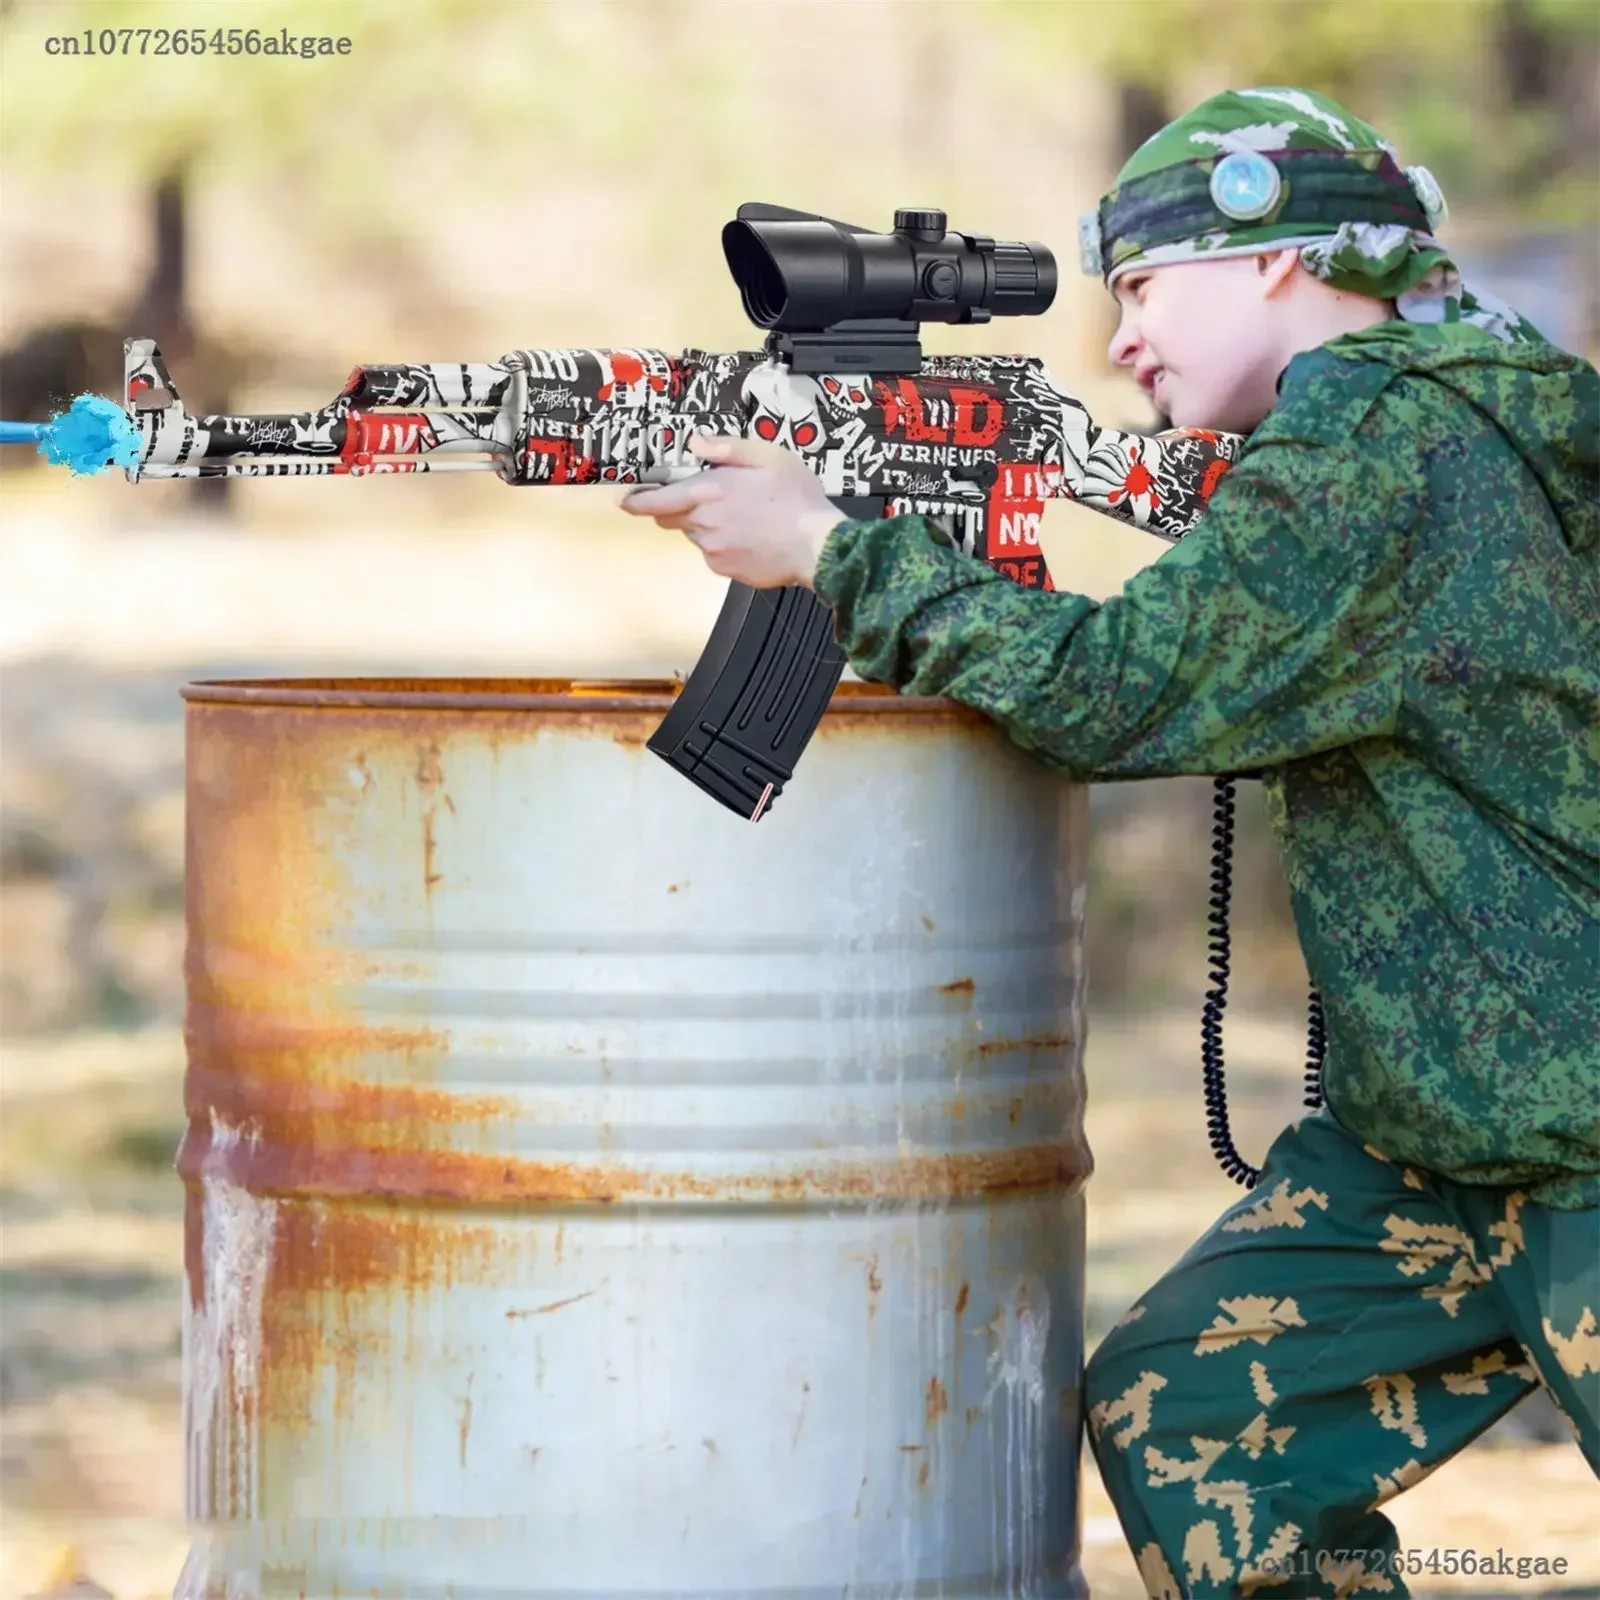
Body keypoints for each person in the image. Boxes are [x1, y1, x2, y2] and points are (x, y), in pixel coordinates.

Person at [621, 86, 1599, 1598]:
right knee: (1194, 1410)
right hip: (1444, 1152)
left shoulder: (1380, 451)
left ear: (1276, 259)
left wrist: (827, 549)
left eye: (1145, 285)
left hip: (1584, 1143)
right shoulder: (1454, 412)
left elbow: (1109, 695)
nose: (1124, 337)